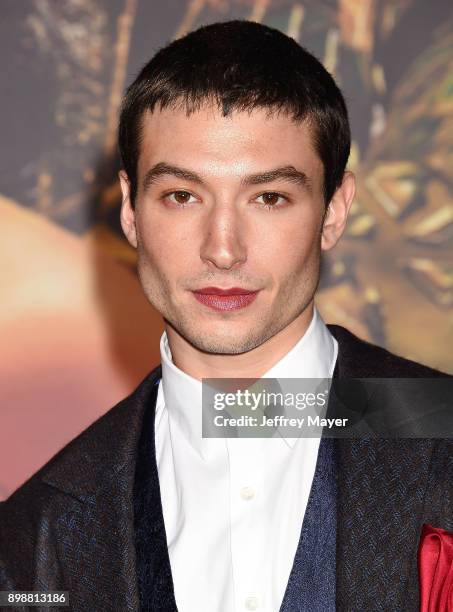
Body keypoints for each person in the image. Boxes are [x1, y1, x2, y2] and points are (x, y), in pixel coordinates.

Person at [1, 20, 452, 612]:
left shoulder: (438, 429)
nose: (222, 248)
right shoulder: (34, 535)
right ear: (131, 212)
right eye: (181, 196)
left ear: (335, 211)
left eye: (269, 198)